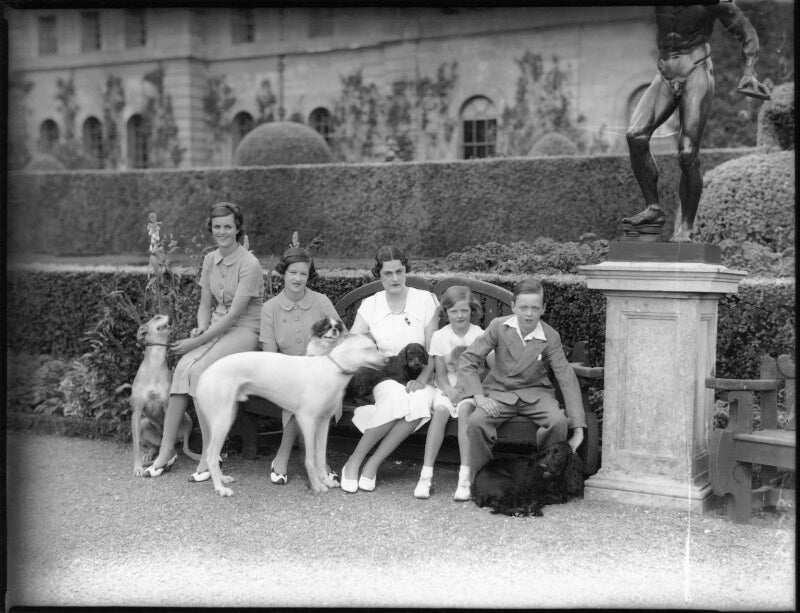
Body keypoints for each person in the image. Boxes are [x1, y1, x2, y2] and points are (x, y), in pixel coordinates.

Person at [624, 1, 770, 243]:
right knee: (635, 136)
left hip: (697, 70)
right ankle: (653, 208)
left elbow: (747, 32)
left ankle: (686, 227)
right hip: (665, 73)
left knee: (687, 152)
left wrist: (749, 72)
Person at [142, 202, 264, 478]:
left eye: (228, 226)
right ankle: (166, 451)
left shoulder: (250, 264)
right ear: (211, 228)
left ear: (238, 228)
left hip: (245, 329)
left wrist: (195, 342)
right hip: (216, 326)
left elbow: (234, 316)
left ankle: (212, 455)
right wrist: (200, 328)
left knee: (199, 370)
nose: (222, 232)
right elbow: (205, 304)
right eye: (217, 226)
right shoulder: (210, 259)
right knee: (182, 368)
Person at [455, 279, 586, 501]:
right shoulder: (498, 326)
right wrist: (478, 396)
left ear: (543, 309)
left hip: (536, 393)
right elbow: (468, 359)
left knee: (557, 421)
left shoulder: (550, 336)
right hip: (499, 392)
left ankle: (545, 480)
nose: (529, 314)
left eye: (535, 308)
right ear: (513, 306)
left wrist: (579, 429)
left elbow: (566, 377)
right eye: (523, 307)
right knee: (477, 422)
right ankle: (481, 481)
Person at [340, 246, 440, 493]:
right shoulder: (370, 304)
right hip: (384, 375)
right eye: (388, 273)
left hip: (422, 375)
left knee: (418, 401)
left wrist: (423, 379)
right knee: (396, 398)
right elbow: (352, 342)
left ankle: (372, 464)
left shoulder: (425, 301)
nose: (395, 278)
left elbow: (435, 349)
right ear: (379, 274)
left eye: (399, 271)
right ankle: (353, 461)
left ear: (406, 271)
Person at [259, 246, 342, 485]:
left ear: (309, 276)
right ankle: (317, 462)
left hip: (323, 373)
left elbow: (341, 338)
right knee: (301, 396)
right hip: (285, 375)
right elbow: (270, 356)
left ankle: (283, 455)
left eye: (303, 274)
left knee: (310, 397)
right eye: (293, 272)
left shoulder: (321, 301)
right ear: (283, 273)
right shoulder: (270, 308)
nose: (297, 278)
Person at [413, 286, 485, 500]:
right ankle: (426, 475)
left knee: (465, 412)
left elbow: (486, 369)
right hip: (447, 388)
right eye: (454, 311)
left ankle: (464, 477)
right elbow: (441, 375)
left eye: (464, 310)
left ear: (472, 310)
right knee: (441, 412)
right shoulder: (439, 336)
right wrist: (448, 390)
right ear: (446, 312)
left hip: (471, 389)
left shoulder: (479, 335)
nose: (459, 315)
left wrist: (468, 391)